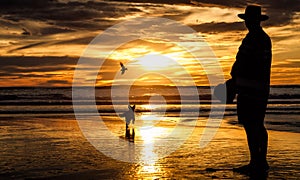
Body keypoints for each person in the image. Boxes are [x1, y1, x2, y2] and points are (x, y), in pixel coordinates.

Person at [230, 5, 272, 176]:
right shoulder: (260, 38)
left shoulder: (255, 38)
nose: (247, 22)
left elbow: (247, 64)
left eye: (249, 19)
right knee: (257, 125)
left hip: (250, 89)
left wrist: (235, 79)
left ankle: (257, 161)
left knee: (251, 125)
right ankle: (260, 161)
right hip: (257, 88)